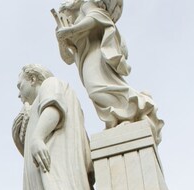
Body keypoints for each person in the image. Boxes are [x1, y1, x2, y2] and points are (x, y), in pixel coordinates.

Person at [15, 64, 97, 190]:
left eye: (20, 85)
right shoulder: (35, 108)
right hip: (45, 176)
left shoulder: (51, 84)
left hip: (58, 175)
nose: (18, 94)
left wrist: (38, 137)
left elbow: (54, 107)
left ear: (32, 79)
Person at [54, 0, 163, 143]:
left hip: (96, 55)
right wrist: (61, 41)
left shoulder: (86, 5)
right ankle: (123, 116)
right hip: (85, 61)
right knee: (98, 90)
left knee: (99, 89)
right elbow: (68, 58)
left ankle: (135, 109)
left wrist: (70, 31)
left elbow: (97, 17)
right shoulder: (68, 22)